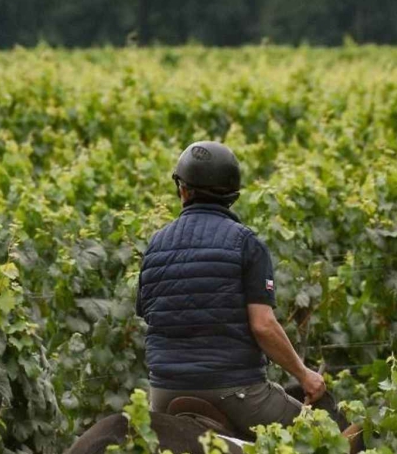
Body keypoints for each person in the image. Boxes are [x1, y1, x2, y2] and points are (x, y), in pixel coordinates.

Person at [137, 141, 326, 433]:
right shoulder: (246, 244)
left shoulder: (155, 245)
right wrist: (304, 375)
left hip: (164, 393)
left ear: (182, 190)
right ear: (232, 196)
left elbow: (149, 315)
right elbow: (263, 325)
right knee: (319, 435)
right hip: (234, 391)